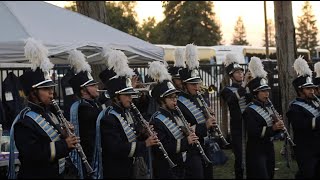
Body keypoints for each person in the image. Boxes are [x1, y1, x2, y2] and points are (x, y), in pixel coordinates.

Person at [8, 38, 79, 179]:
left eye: (51, 88)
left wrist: (63, 134)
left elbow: (48, 139)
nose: (51, 92)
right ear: (33, 93)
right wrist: (64, 145)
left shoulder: (50, 113)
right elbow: (33, 155)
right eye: (46, 89)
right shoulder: (24, 121)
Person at [92, 50, 159, 179]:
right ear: (116, 97)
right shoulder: (109, 118)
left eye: (131, 94)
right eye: (127, 95)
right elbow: (116, 148)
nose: (131, 98)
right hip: (117, 171)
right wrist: (144, 144)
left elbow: (130, 138)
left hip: (129, 167)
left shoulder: (126, 111)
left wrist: (142, 135)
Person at [147, 61, 199, 179]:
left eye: (175, 97)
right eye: (171, 98)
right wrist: (187, 141)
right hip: (166, 169)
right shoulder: (156, 120)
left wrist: (187, 131)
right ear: (161, 100)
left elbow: (179, 135)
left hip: (180, 164)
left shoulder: (176, 114)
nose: (175, 100)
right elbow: (163, 147)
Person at [177, 43, 217, 179]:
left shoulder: (200, 98)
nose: (196, 86)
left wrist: (209, 116)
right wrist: (204, 125)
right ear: (184, 85)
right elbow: (182, 128)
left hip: (205, 144)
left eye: (197, 83)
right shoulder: (178, 102)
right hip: (191, 149)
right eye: (192, 84)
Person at [242, 57, 284, 179]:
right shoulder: (250, 110)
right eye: (263, 91)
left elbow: (273, 130)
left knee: (270, 174)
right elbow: (254, 132)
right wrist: (273, 127)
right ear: (255, 93)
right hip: (256, 150)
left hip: (268, 147)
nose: (267, 93)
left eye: (267, 90)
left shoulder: (268, 106)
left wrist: (279, 127)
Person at [68, 49, 102, 179]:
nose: (96, 87)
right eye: (92, 85)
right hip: (90, 157)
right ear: (83, 91)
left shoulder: (92, 105)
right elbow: (98, 116)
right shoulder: (84, 109)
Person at [286, 56, 320, 179]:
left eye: (312, 88)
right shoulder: (294, 108)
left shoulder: (316, 102)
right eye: (308, 88)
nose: (312, 91)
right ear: (300, 91)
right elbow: (301, 126)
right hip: (306, 150)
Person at [219, 53, 252, 179]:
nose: (241, 74)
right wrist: (244, 85)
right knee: (240, 158)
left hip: (249, 125)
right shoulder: (226, 90)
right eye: (237, 73)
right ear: (231, 76)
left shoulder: (247, 87)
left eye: (241, 72)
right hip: (237, 127)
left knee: (251, 157)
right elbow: (232, 101)